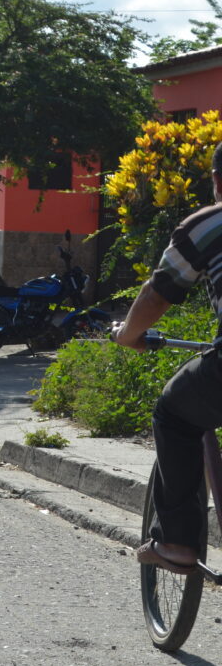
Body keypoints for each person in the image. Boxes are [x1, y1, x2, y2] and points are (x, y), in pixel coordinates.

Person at [112, 140, 222, 575]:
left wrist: (129, 335)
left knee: (175, 413)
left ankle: (176, 542)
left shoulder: (209, 224)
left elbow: (158, 294)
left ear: (216, 180)